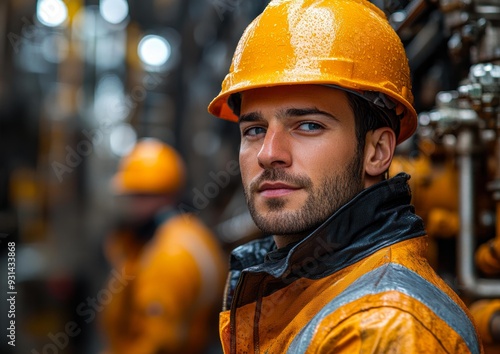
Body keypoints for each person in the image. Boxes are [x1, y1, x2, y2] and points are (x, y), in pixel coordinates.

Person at [207, 0, 484, 353]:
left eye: (308, 125)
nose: (268, 153)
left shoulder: (385, 329)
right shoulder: (308, 296)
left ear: (377, 152)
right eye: (255, 130)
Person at [99, 138, 228, 354]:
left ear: (163, 196)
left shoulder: (168, 256)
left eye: (136, 197)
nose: (129, 207)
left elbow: (158, 343)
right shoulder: (190, 232)